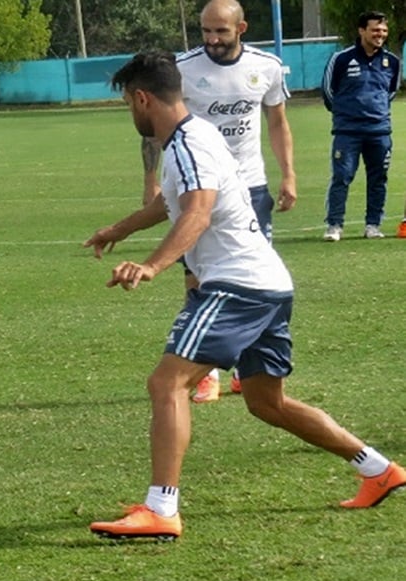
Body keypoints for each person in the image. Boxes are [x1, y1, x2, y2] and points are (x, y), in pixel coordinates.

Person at [82, 50, 405, 540]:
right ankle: (378, 469)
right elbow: (172, 203)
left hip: (238, 285)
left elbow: (197, 212)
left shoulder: (188, 144)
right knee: (265, 403)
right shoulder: (195, 137)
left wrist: (151, 265)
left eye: (128, 102)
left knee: (167, 383)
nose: (130, 111)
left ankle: (161, 508)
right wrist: (117, 230)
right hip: (267, 283)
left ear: (142, 98)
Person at [142, 0, 296, 403]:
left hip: (249, 185)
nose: (211, 40)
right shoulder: (183, 69)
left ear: (241, 28)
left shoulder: (267, 67)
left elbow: (277, 122)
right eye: (206, 31)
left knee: (248, 275)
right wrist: (151, 182)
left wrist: (289, 174)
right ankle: (204, 368)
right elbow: (155, 127)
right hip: (197, 182)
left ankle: (252, 370)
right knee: (198, 275)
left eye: (221, 32)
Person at [321, 10, 401, 241]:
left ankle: (373, 225)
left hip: (380, 131)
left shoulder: (392, 61)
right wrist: (345, 114)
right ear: (362, 30)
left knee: (378, 179)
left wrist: (377, 112)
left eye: (384, 31)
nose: (380, 34)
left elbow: (391, 91)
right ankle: (334, 225)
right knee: (342, 176)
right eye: (375, 29)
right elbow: (328, 91)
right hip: (348, 132)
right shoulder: (342, 58)